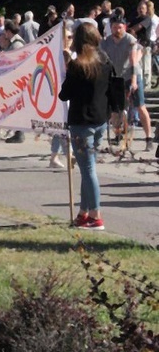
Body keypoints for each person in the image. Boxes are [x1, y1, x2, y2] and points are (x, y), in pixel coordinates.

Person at [59, 23, 111, 230]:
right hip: (100, 120)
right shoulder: (105, 60)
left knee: (88, 169)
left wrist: (66, 67)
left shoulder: (77, 66)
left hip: (82, 122)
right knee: (87, 168)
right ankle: (84, 212)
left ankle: (96, 215)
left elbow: (64, 94)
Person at [101, 13, 153, 151]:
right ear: (111, 28)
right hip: (117, 78)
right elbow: (101, 59)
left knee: (140, 106)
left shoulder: (129, 39)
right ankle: (118, 135)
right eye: (115, 27)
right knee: (117, 109)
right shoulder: (106, 42)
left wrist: (134, 81)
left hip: (132, 75)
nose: (118, 30)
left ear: (124, 27)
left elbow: (134, 62)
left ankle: (148, 138)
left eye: (120, 27)